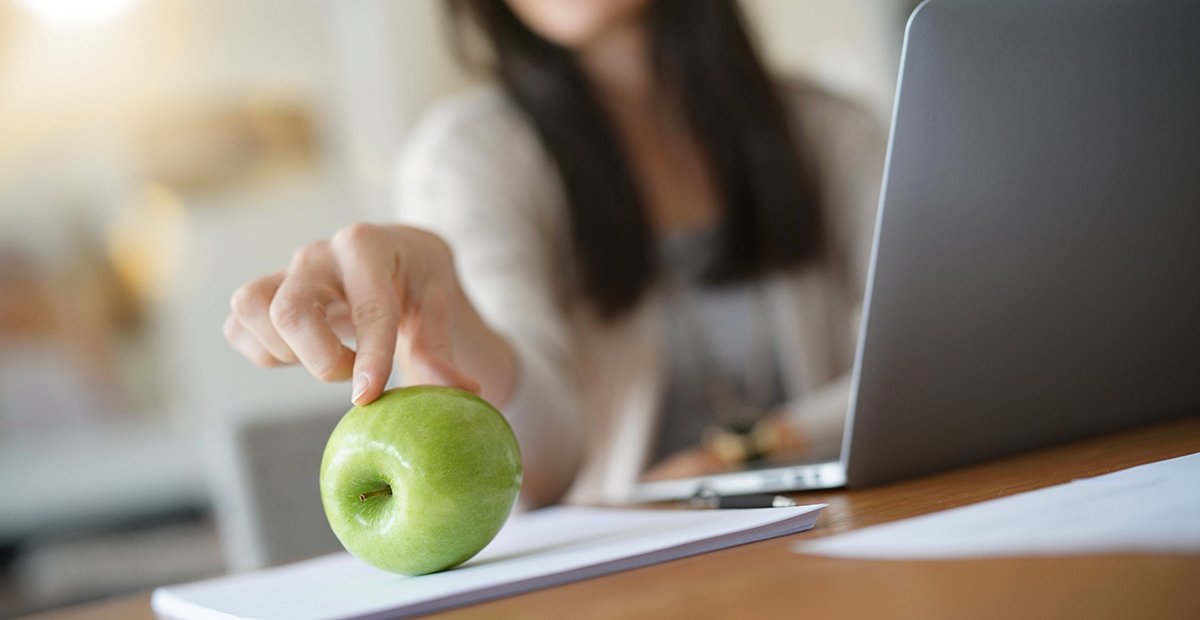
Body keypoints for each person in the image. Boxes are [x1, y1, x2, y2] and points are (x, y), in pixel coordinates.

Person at [223, 0, 884, 509]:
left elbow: (948, 363)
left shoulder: (829, 127)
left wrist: (765, 445)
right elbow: (535, 469)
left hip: (837, 530)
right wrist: (453, 309)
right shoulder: (470, 157)